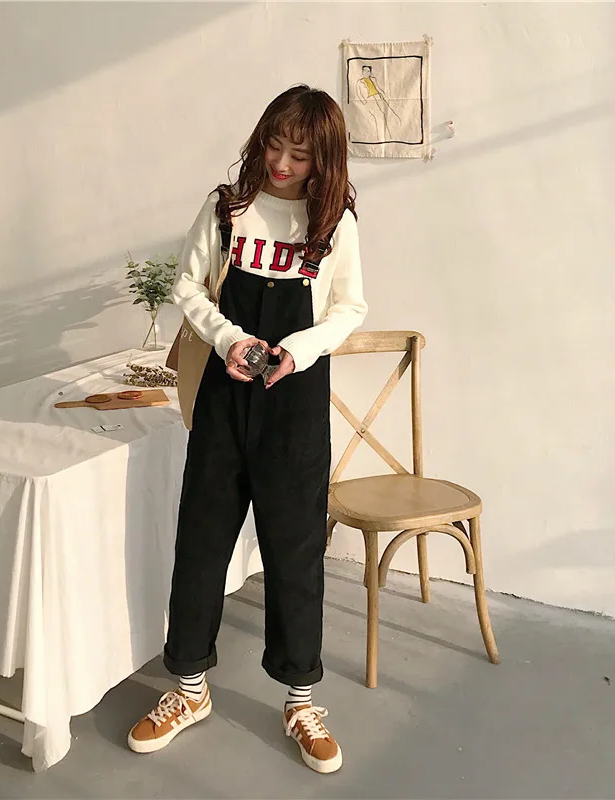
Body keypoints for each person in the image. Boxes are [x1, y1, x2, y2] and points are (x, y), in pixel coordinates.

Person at [127, 84, 368, 774]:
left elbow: (350, 308)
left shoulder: (333, 223)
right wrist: (229, 339)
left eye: (301, 154)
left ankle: (301, 701)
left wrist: (298, 351)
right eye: (275, 146)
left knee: (295, 553)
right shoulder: (227, 209)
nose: (283, 165)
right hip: (224, 401)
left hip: (295, 406)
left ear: (325, 160)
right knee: (201, 542)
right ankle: (189, 689)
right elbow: (187, 285)